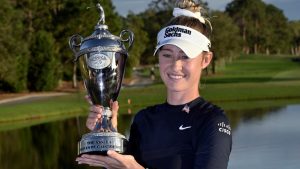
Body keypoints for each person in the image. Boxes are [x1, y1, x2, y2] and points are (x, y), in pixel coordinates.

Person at [76, 0, 232, 168]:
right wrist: (107, 136)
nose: (175, 65)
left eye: (185, 56)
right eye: (167, 55)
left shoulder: (212, 121)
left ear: (206, 59)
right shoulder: (144, 120)